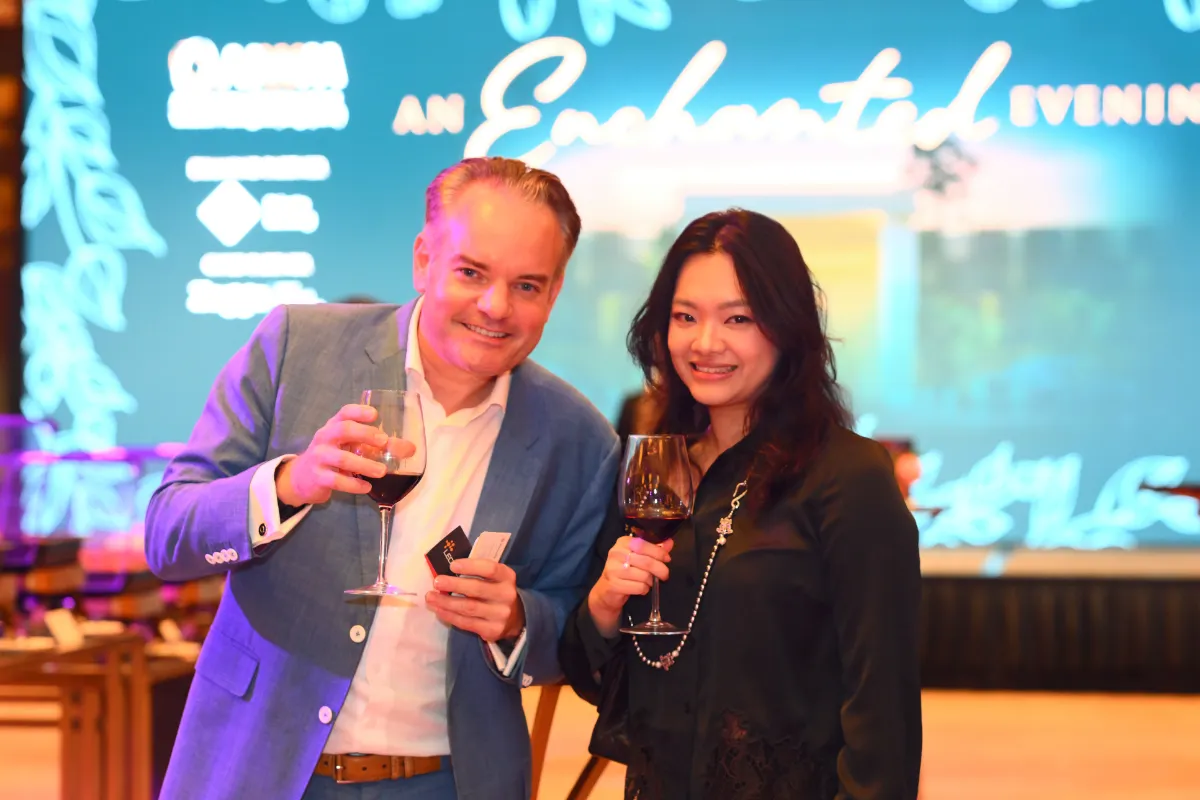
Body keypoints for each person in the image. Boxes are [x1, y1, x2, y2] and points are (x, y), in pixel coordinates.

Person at [145, 157, 619, 800]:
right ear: (424, 260)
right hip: (261, 765)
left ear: (555, 292)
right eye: (471, 273)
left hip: (449, 783)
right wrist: (288, 485)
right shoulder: (295, 346)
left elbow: (572, 633)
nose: (495, 306)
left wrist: (517, 619)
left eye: (527, 285)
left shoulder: (578, 439)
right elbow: (168, 535)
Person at [559, 209, 923, 799]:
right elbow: (598, 673)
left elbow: (884, 712)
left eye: (738, 318)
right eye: (685, 317)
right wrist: (603, 605)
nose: (706, 343)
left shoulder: (849, 476)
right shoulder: (659, 473)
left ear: (787, 327)